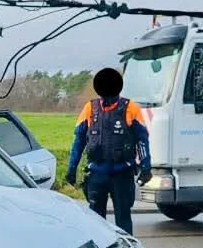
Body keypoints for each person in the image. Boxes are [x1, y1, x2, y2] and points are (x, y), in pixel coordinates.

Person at [64, 68, 151, 235]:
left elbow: (142, 139)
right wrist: (71, 169)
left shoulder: (131, 108)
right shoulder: (90, 108)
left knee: (123, 220)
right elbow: (79, 140)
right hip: (97, 174)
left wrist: (146, 167)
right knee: (96, 221)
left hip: (122, 174)